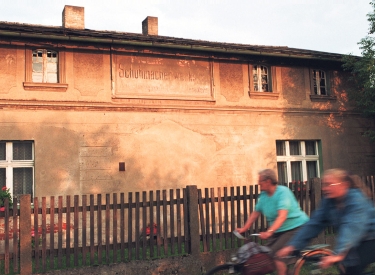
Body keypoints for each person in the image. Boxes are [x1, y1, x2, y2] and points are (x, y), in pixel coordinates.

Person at [277, 168, 375, 275]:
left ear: (344, 185)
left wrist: (339, 254)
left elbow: (352, 227)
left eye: (329, 184)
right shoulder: (329, 202)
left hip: (370, 239)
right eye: (324, 185)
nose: (324, 188)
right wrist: (293, 245)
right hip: (353, 240)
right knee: (349, 267)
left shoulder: (357, 199)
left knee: (354, 266)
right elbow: (314, 223)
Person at [236, 169, 309, 275]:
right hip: (278, 230)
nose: (258, 183)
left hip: (295, 227)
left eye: (260, 181)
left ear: (268, 181)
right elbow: (255, 213)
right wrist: (244, 228)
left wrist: (269, 232)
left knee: (277, 255)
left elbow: (282, 216)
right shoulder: (263, 196)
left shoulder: (283, 192)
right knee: (266, 255)